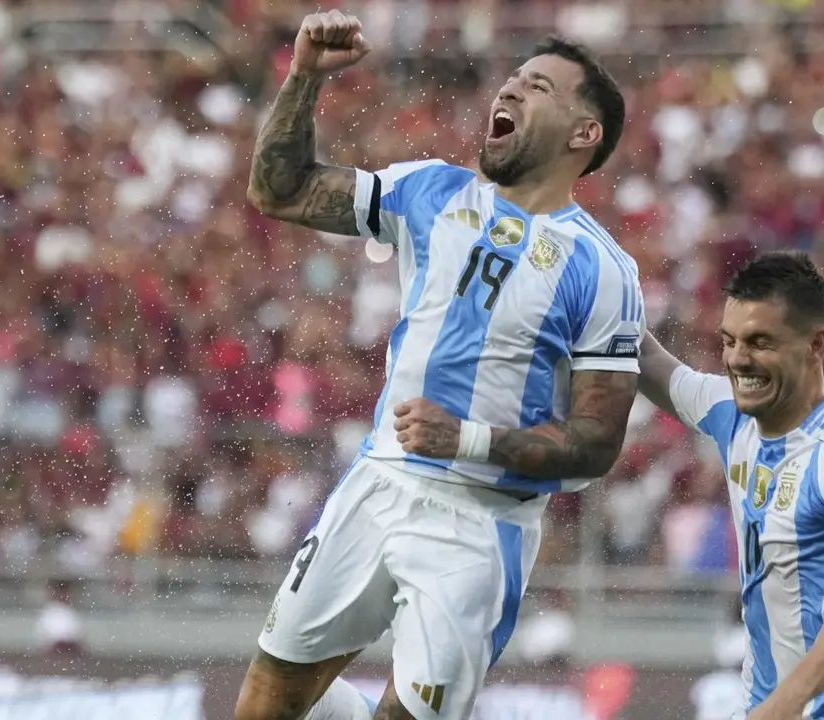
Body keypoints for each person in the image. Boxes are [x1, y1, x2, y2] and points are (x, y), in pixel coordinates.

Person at [237, 11, 640, 720]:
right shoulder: (430, 191)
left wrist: (469, 441)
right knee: (266, 704)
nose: (509, 92)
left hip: (480, 524)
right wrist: (303, 77)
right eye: (511, 80)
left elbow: (598, 442)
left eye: (538, 86)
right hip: (378, 481)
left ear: (584, 134)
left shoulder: (602, 269)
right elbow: (280, 190)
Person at [637, 251, 824, 720]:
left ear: (815, 344)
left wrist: (788, 701)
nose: (738, 360)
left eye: (760, 342)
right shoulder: (735, 416)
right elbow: (648, 361)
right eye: (730, 341)